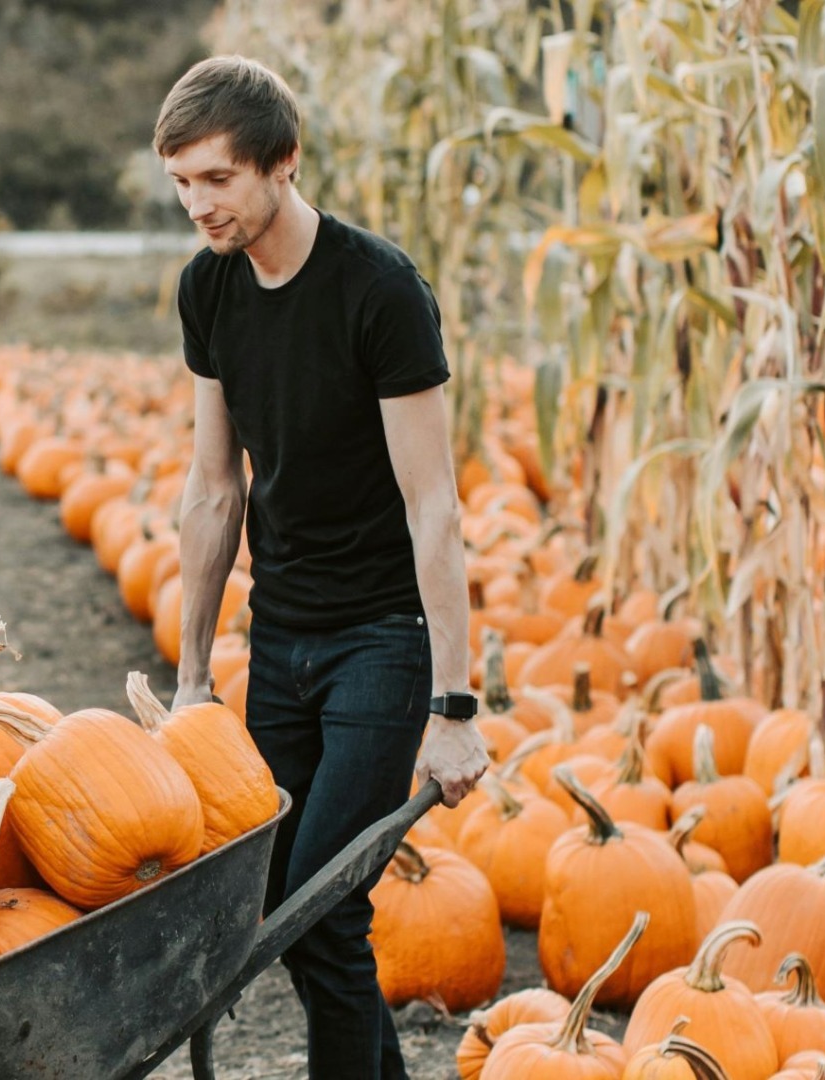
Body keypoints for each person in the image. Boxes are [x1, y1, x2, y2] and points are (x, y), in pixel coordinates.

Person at [155, 55, 490, 1080]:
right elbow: (215, 491)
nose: (198, 206)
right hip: (283, 635)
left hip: (383, 642)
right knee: (288, 907)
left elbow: (435, 506)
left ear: (282, 163)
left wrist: (456, 706)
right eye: (181, 183)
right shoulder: (209, 289)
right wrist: (190, 680)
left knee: (322, 913)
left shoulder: (379, 291)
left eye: (218, 180)